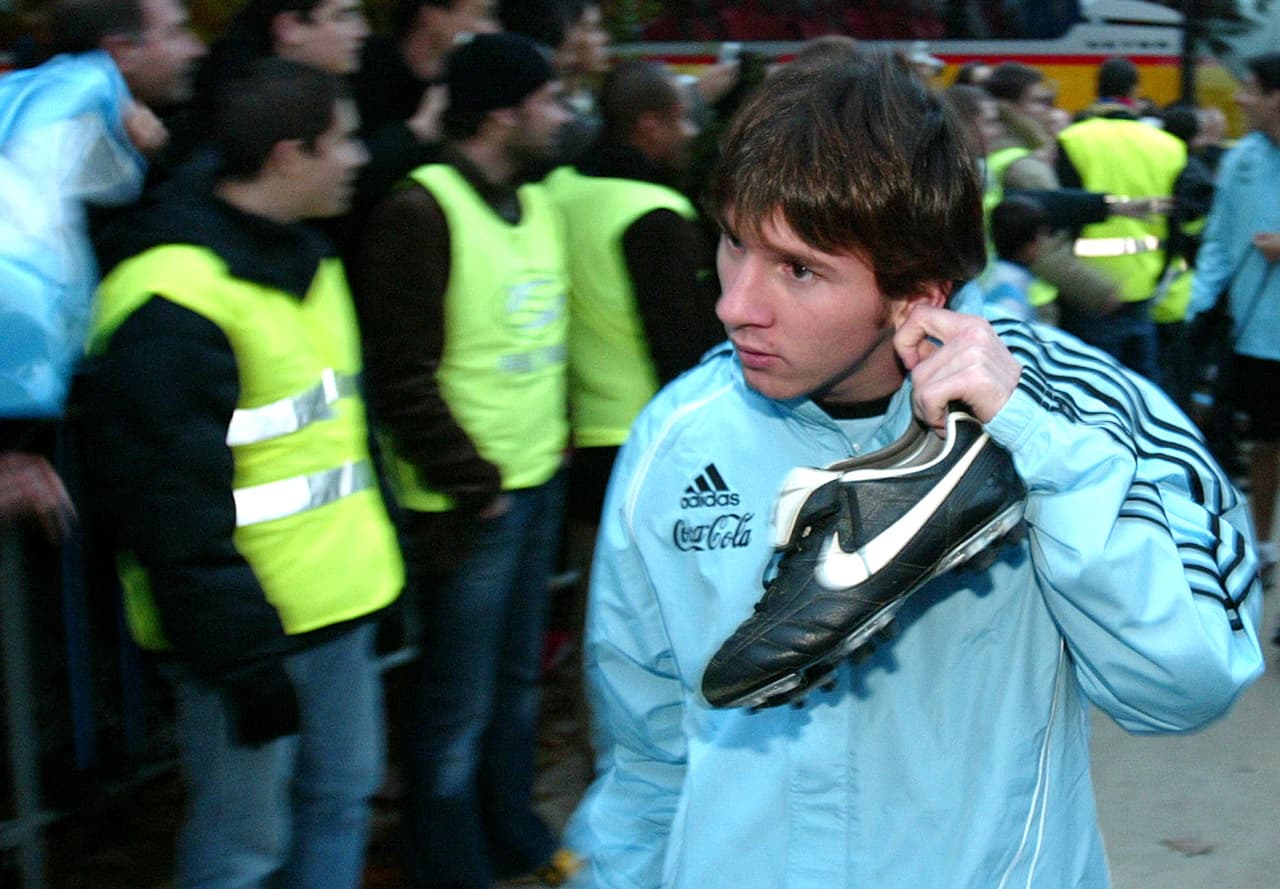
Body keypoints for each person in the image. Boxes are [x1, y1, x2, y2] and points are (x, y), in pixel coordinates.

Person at [566, 52, 1263, 889]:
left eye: (798, 269)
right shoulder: (677, 437)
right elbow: (646, 753)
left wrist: (1040, 452)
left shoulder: (1065, 413)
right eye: (732, 242)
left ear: (917, 294)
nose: (734, 303)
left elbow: (1186, 683)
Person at [77, 58, 403, 888]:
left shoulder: (311, 259)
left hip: (339, 606)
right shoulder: (168, 297)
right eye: (344, 140)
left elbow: (341, 438)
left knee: (341, 803)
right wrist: (239, 659)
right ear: (288, 156)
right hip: (245, 636)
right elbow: (167, 507)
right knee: (241, 853)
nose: (361, 156)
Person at [357, 32, 576, 888]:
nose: (561, 116)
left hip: (535, 482)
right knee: (458, 698)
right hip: (471, 503)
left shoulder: (538, 201)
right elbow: (401, 372)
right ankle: (448, 859)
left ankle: (511, 830)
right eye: (548, 99)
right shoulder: (420, 209)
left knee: (517, 678)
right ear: (500, 111)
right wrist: (471, 482)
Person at [1189, 52, 1280, 599]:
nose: (1239, 99)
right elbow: (1219, 243)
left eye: (1250, 89)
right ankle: (1264, 553)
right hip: (1255, 340)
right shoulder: (1242, 158)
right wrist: (1200, 311)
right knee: (1264, 446)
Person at [1056, 57, 1186, 383]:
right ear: (1135, 90)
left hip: (1086, 286)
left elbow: (1063, 215)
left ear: (1097, 88)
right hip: (1145, 282)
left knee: (1092, 385)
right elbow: (1177, 219)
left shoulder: (1072, 139)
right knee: (1144, 387)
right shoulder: (1170, 146)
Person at [980, 195, 1050, 321]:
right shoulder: (1009, 297)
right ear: (1030, 245)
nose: (1045, 243)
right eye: (1041, 237)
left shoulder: (991, 275)